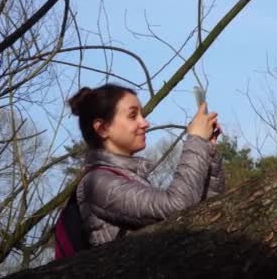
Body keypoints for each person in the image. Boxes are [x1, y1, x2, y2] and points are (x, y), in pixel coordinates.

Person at [68, 83, 224, 247]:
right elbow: (177, 207)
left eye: (141, 115)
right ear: (102, 128)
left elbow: (204, 214)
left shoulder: (129, 179)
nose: (145, 123)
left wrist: (207, 151)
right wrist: (196, 140)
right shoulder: (96, 183)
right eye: (132, 116)